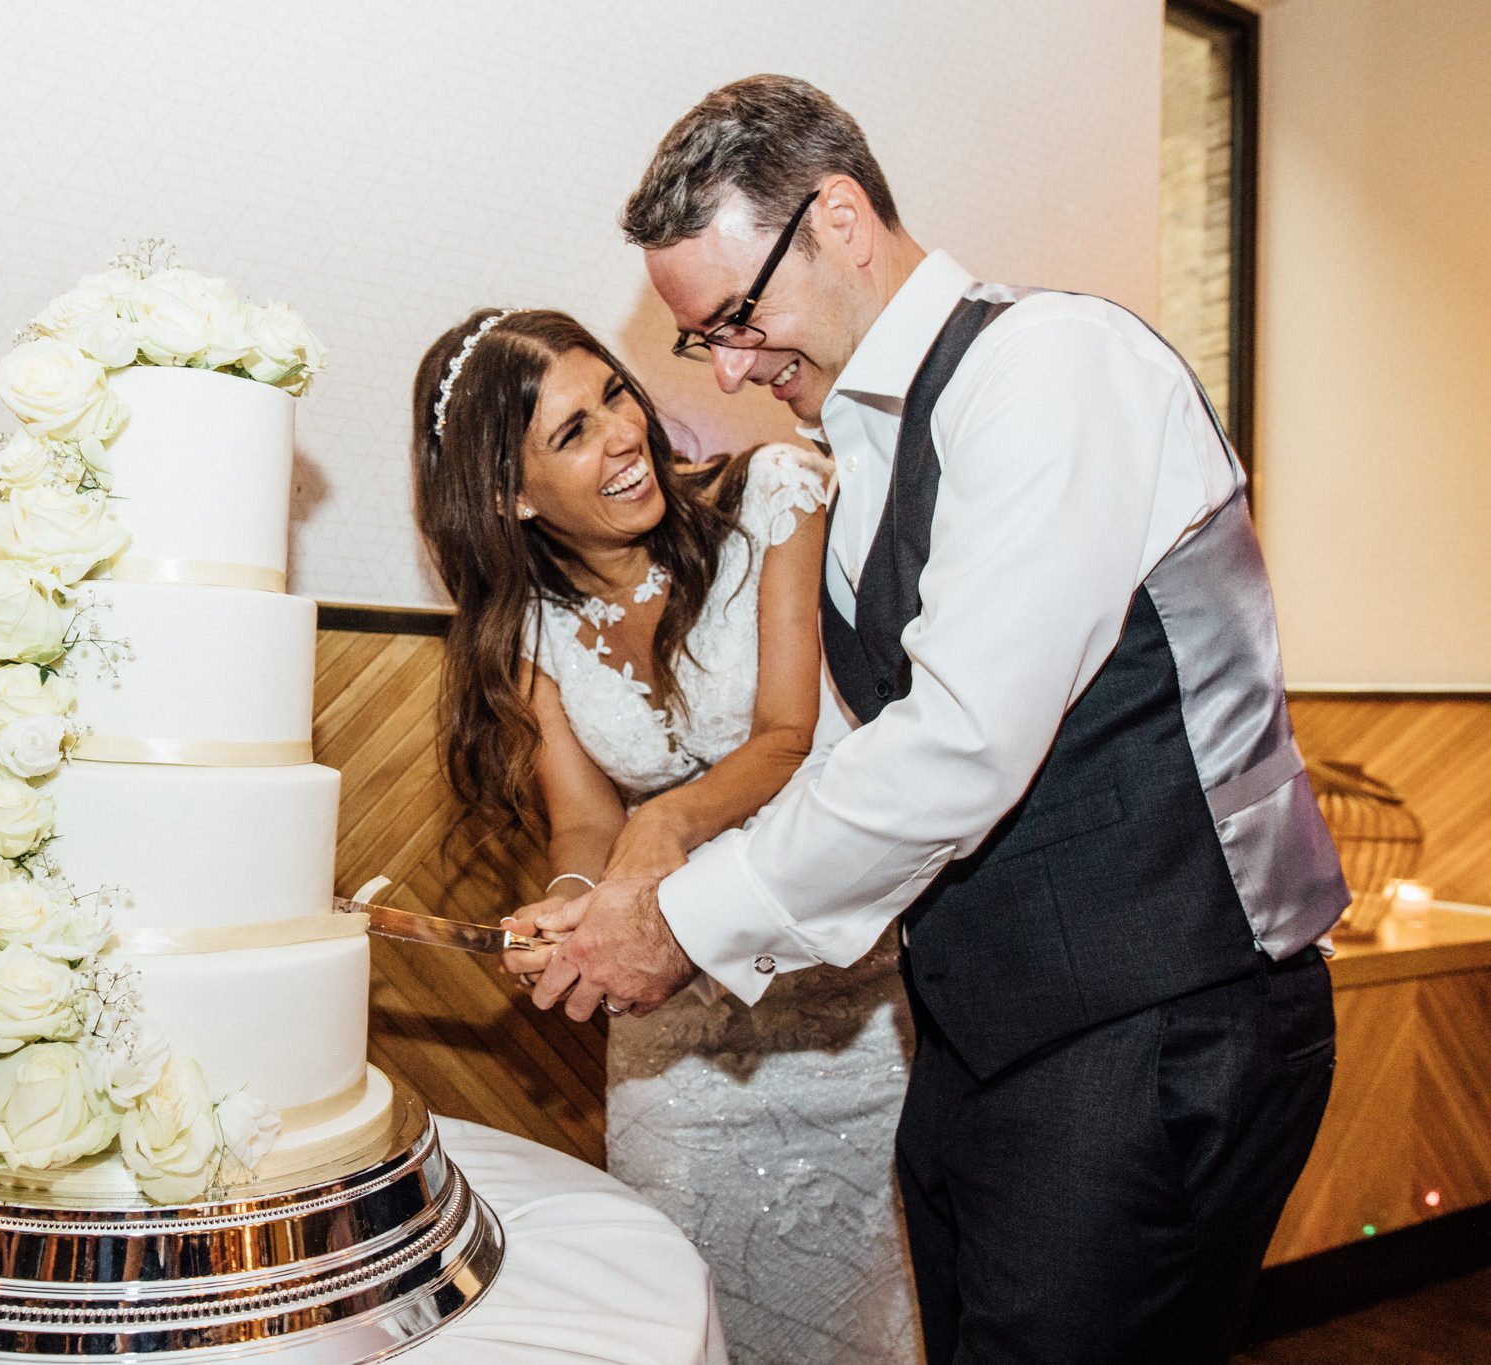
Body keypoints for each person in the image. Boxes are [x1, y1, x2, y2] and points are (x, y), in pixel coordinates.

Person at [525, 75, 1348, 1364]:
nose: (733, 367)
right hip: (982, 1043)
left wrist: (683, 920)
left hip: (1158, 1022)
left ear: (841, 219)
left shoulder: (1050, 366)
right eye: (704, 343)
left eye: (738, 317)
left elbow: (963, 741)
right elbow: (845, 761)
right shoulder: (850, 459)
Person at [411, 307, 920, 1362]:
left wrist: (663, 822)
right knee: (676, 1317)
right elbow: (584, 821)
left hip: (838, 1008)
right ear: (508, 496)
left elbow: (785, 736)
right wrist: (566, 900)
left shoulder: (770, 498)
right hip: (670, 1049)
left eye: (612, 395)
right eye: (570, 433)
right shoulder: (526, 628)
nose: (620, 434)